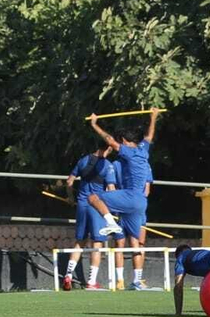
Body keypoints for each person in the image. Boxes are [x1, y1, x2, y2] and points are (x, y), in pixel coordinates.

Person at [85, 110, 160, 289]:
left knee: (92, 197)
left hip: (130, 196)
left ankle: (110, 222)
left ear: (125, 142)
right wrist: (153, 117)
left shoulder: (129, 153)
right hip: (141, 202)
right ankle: (137, 281)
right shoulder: (144, 150)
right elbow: (149, 135)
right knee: (135, 241)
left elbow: (109, 140)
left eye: (121, 142)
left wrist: (94, 124)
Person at [62, 143, 117, 291]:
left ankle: (68, 275)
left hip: (81, 204)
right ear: (109, 149)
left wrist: (70, 197)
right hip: (96, 206)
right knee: (97, 243)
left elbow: (69, 181)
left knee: (79, 242)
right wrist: (112, 211)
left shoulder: (83, 160)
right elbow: (111, 189)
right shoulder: (108, 165)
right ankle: (91, 281)